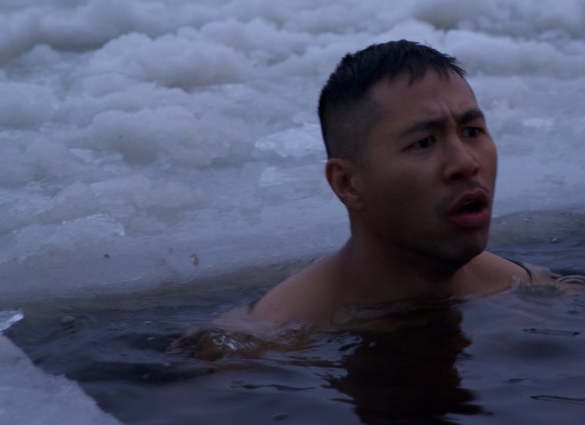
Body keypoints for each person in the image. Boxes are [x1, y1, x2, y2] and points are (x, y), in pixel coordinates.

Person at [230, 40, 551, 331]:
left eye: (471, 132)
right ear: (348, 184)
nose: (466, 164)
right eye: (424, 142)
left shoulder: (531, 293)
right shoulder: (269, 339)